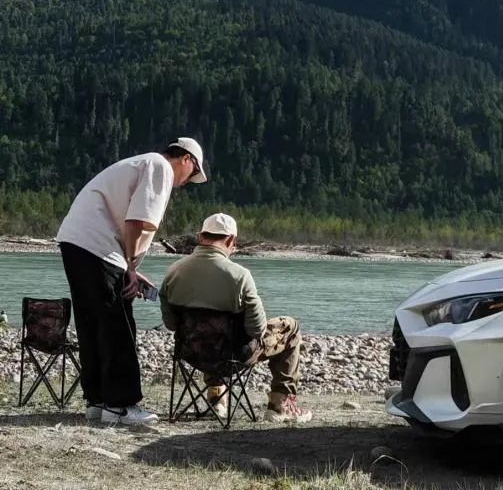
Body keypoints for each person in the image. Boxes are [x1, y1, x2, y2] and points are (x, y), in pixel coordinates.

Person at [57, 137, 208, 425]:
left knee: (91, 321)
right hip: (100, 244)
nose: (186, 182)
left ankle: (97, 400)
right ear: (186, 159)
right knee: (118, 322)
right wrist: (130, 267)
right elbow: (137, 222)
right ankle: (120, 404)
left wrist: (129, 266)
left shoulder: (142, 162)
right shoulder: (160, 167)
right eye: (192, 174)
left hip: (76, 240)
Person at [159, 213, 312, 423]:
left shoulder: (173, 272)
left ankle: (217, 399)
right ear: (231, 240)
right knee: (290, 327)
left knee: (210, 335)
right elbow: (257, 331)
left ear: (200, 236)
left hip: (192, 353)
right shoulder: (240, 276)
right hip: (231, 356)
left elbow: (171, 324)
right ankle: (280, 405)